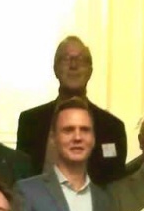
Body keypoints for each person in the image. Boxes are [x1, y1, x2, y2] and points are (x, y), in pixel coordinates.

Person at [15, 35, 128, 186]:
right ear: (55, 69)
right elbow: (22, 178)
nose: (73, 65)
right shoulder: (30, 122)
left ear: (90, 70)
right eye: (66, 59)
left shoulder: (112, 127)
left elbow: (116, 186)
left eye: (80, 60)